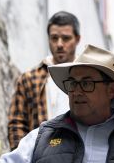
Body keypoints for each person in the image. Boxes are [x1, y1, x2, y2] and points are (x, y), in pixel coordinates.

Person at [8, 10, 81, 150]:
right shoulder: (29, 79)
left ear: (77, 39)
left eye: (66, 38)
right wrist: (25, 158)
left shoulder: (92, 77)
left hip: (80, 156)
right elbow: (16, 124)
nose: (59, 44)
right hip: (40, 158)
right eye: (54, 38)